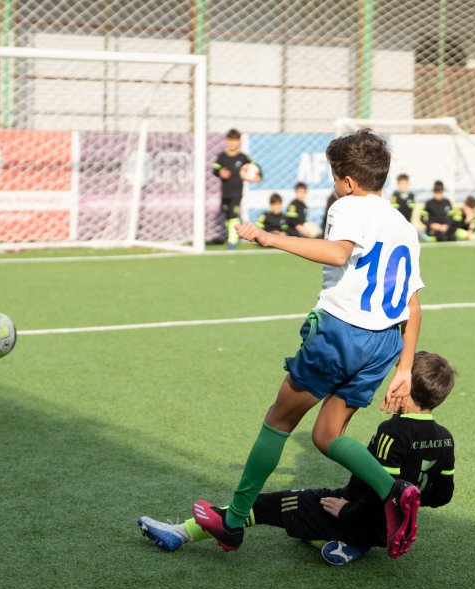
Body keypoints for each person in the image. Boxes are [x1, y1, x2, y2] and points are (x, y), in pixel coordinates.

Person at [191, 129, 425, 560]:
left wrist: (268, 237)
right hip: (385, 344)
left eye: (336, 177)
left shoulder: (348, 205)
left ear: (348, 180)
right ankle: (394, 492)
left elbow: (338, 253)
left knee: (279, 421)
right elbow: (413, 304)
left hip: (342, 334)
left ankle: (234, 520)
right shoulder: (403, 225)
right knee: (326, 434)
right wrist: (405, 368)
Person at [139, 351, 457, 566]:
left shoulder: (393, 432)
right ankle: (349, 545)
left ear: (406, 387)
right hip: (387, 530)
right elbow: (441, 495)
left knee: (270, 504)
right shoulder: (445, 437)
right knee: (307, 526)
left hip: (360, 516)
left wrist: (348, 512)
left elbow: (383, 493)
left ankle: (179, 533)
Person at [212, 129, 258, 249]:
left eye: (235, 140)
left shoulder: (243, 157)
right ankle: (232, 235)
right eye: (230, 140)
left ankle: (233, 240)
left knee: (234, 214)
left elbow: (254, 167)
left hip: (237, 192)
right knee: (227, 214)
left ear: (239, 142)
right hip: (225, 192)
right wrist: (220, 172)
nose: (233, 143)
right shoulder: (222, 157)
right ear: (227, 141)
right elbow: (215, 169)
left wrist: (256, 176)